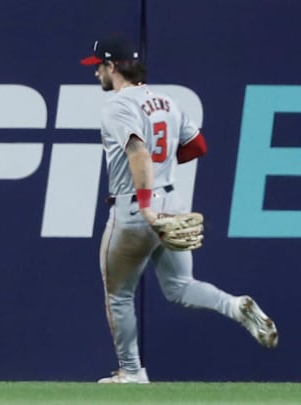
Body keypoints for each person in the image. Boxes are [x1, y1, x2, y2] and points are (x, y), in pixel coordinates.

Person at [80, 35, 278, 383]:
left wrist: (144, 207)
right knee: (180, 286)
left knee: (119, 295)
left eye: (98, 67)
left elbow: (139, 153)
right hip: (172, 203)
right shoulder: (167, 101)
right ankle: (234, 305)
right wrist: (161, 179)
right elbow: (197, 145)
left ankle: (131, 372)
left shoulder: (117, 106)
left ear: (112, 67)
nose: (96, 73)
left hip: (134, 209)